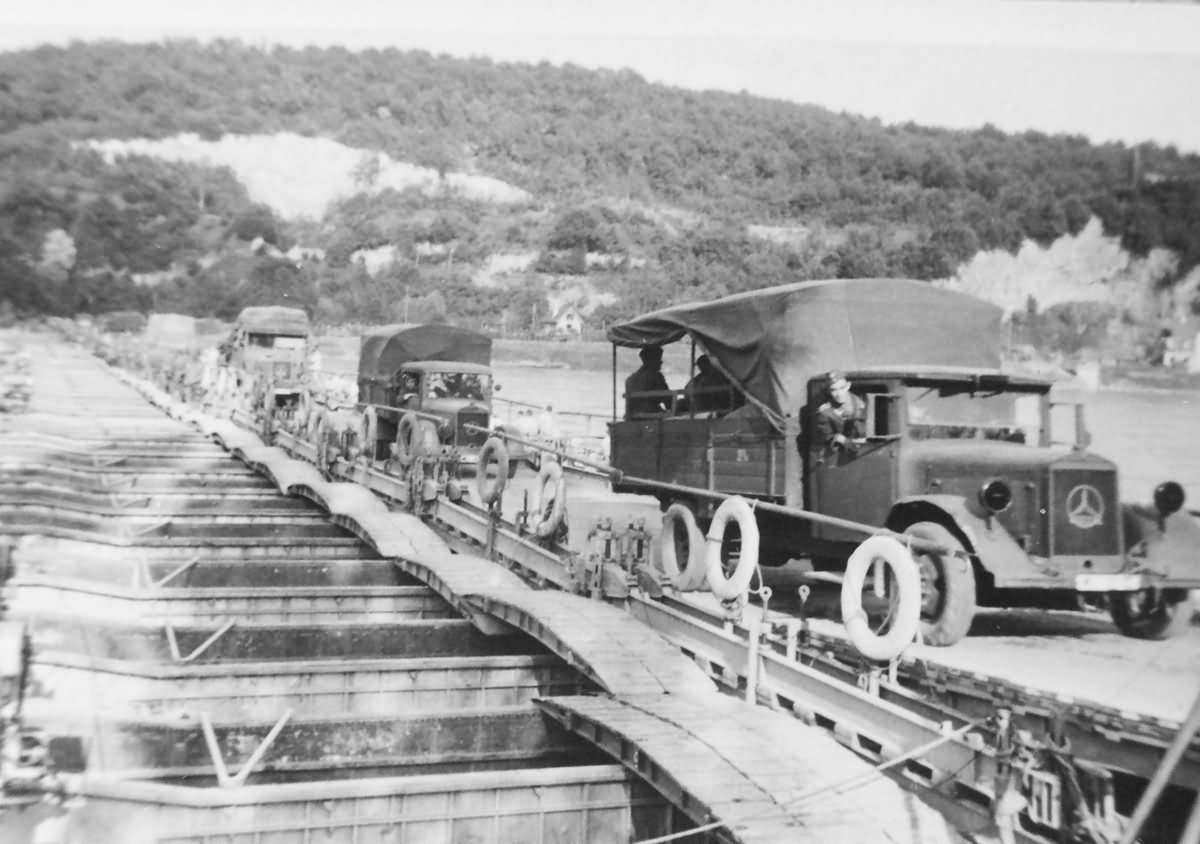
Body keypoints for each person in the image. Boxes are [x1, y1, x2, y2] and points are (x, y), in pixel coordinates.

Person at [814, 371, 865, 452]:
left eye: (842, 388)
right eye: (833, 390)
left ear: (848, 385)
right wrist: (839, 439)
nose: (839, 394)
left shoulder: (861, 403)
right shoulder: (825, 412)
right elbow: (826, 440)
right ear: (828, 391)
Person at [625, 345, 672, 418]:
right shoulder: (656, 376)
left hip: (632, 416)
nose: (661, 362)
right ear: (653, 360)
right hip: (651, 414)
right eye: (659, 359)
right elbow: (668, 401)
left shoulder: (630, 379)